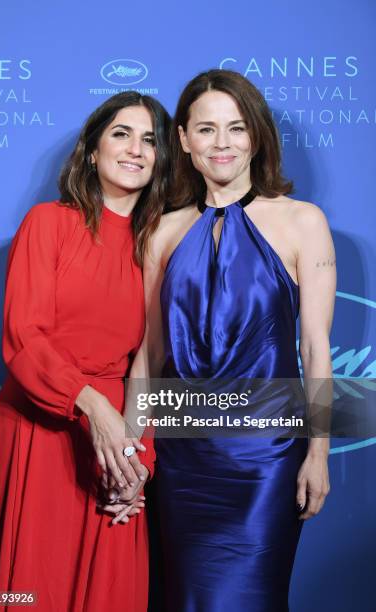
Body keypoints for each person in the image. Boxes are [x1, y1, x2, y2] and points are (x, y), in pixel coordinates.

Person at [117, 70, 335, 611]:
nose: (222, 144)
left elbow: (315, 348)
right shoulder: (161, 231)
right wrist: (128, 452)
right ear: (184, 140)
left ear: (255, 138)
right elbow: (149, 355)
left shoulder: (302, 222)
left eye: (236, 128)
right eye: (206, 129)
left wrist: (320, 453)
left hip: (266, 457)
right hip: (182, 459)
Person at [0, 91, 171, 611]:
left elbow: (148, 366)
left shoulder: (161, 245)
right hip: (37, 430)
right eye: (121, 134)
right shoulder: (49, 223)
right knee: (26, 587)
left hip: (115, 443)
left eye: (149, 139)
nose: (135, 149)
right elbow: (24, 338)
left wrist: (138, 460)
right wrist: (91, 403)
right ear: (92, 150)